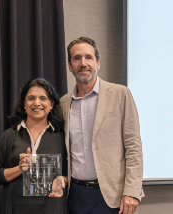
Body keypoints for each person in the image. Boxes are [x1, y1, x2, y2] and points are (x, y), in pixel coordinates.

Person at [60, 37, 144, 214]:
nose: (83, 63)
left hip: (111, 196)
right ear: (69, 66)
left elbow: (134, 147)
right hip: (75, 196)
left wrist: (132, 191)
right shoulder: (63, 104)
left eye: (89, 57)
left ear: (98, 63)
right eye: (77, 58)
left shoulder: (120, 94)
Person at [0, 78, 68, 214]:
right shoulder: (9, 136)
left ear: (51, 104)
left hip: (53, 209)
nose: (37, 103)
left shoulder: (62, 137)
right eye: (31, 98)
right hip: (15, 208)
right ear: (24, 104)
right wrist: (19, 169)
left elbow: (70, 174)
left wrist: (63, 180)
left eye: (43, 98)